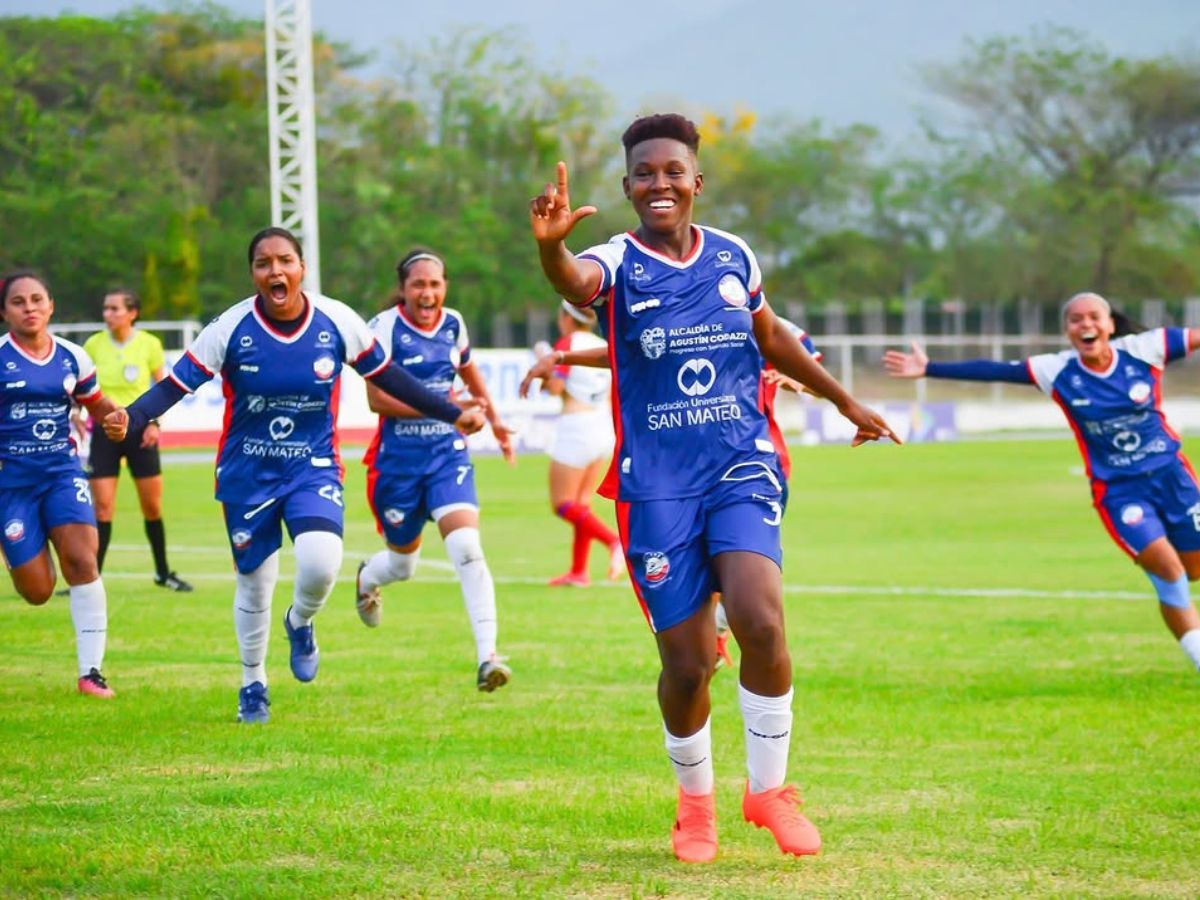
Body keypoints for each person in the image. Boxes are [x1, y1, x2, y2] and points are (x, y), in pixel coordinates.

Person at [529, 113, 897, 862]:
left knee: (761, 620)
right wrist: (550, 247)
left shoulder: (734, 256)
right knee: (689, 665)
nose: (658, 184)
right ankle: (695, 806)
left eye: (673, 171)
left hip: (740, 464)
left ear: (697, 180)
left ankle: (769, 792)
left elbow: (770, 337)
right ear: (628, 187)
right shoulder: (615, 262)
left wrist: (843, 399)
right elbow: (576, 280)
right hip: (656, 488)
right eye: (643, 174)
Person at [103, 228, 486, 724]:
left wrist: (451, 412)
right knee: (255, 584)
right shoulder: (231, 327)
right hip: (248, 471)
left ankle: (300, 621)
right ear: (253, 274)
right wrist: (132, 418)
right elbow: (177, 383)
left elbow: (392, 379)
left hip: (312, 465)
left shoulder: (337, 320)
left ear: (302, 268)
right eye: (264, 264)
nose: (275, 271)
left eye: (285, 261)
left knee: (322, 562)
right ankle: (252, 684)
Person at [884, 292, 1200, 672]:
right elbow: (996, 370)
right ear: (1067, 330)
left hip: (1174, 478)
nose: (1086, 325)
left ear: (1110, 324)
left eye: (1094, 317)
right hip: (1120, 492)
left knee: (1193, 568)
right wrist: (930, 368)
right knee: (1168, 569)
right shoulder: (1058, 371)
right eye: (1075, 320)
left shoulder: (1147, 349)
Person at [522, 324, 823, 668]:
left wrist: (805, 383)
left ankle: (718, 636)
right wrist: (563, 356)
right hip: (687, 472)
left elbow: (817, 381)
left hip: (758, 466)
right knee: (702, 577)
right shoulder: (689, 317)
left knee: (742, 577)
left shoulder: (780, 331)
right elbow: (627, 353)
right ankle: (709, 643)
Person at [354, 249, 515, 693]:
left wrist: (496, 421)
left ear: (445, 286)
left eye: (435, 284)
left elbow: (468, 368)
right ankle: (368, 576)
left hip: (447, 456)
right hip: (397, 464)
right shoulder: (383, 329)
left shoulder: (454, 323)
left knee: (466, 546)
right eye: (418, 285)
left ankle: (488, 656)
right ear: (403, 289)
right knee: (403, 565)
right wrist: (450, 411)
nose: (428, 293)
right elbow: (376, 400)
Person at [0, 270, 120, 698]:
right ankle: (15, 546)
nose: (29, 307)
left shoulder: (72, 357)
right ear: (4, 312)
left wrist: (115, 415)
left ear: (51, 306)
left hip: (62, 474)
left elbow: (95, 401)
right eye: (18, 301)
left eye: (37, 299)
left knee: (82, 560)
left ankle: (92, 672)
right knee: (37, 591)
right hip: (11, 485)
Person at [82, 288, 192, 591]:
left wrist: (155, 423)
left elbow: (163, 388)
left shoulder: (149, 345)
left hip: (140, 432)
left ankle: (163, 573)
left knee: (152, 507)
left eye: (115, 308)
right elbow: (84, 388)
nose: (109, 314)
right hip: (104, 432)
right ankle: (91, 578)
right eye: (106, 308)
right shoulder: (93, 345)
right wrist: (79, 417)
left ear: (132, 313)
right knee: (102, 508)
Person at [518, 300, 622, 587]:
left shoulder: (568, 343)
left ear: (565, 317)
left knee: (562, 504)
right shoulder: (596, 342)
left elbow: (555, 388)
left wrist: (543, 357)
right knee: (581, 504)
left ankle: (613, 541)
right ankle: (579, 571)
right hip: (601, 427)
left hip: (576, 428)